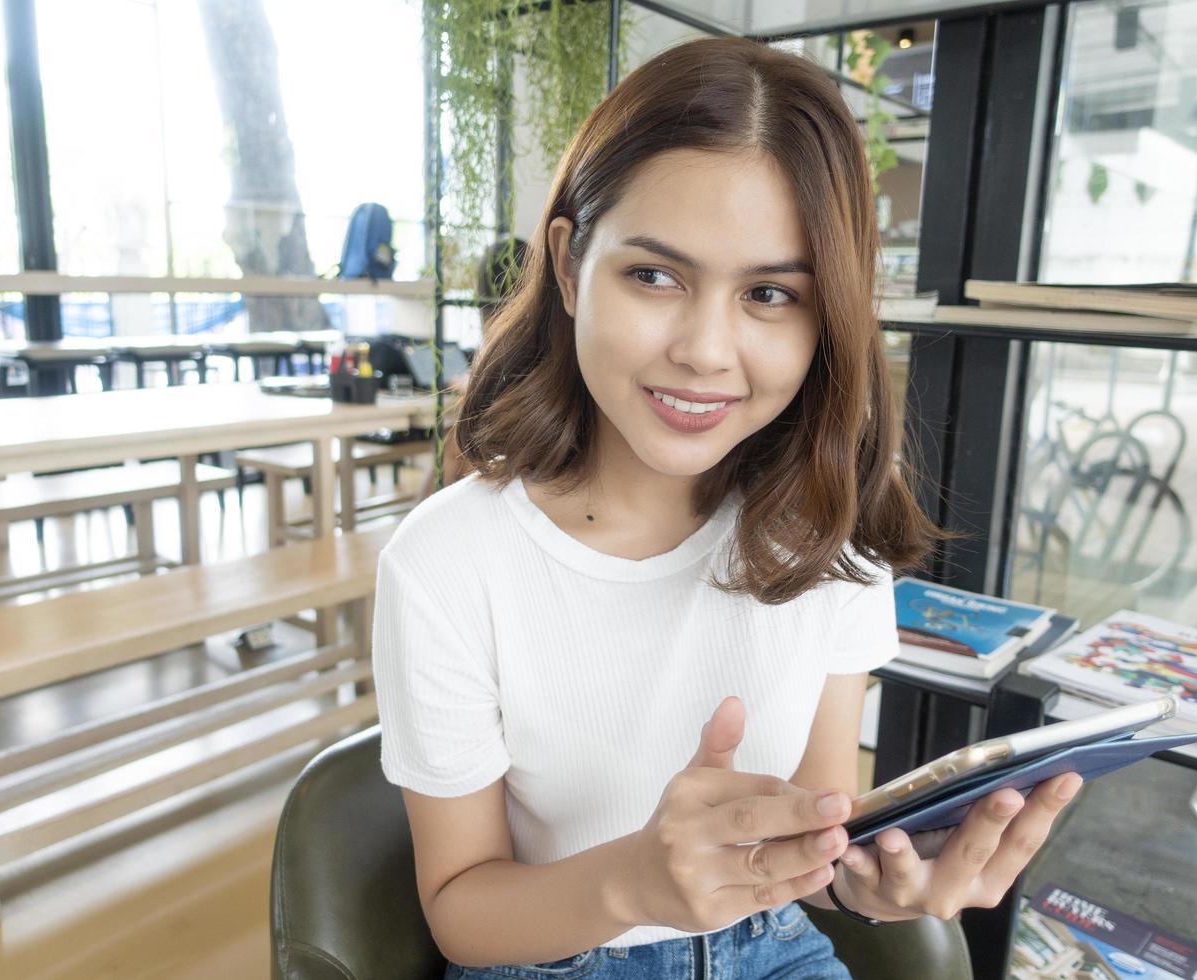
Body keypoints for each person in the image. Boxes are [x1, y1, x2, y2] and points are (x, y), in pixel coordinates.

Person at [372, 36, 1084, 978]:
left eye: (769, 294)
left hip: (774, 950)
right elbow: (462, 909)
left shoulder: (831, 536)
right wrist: (632, 882)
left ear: (826, 314)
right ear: (572, 263)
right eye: (655, 276)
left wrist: (865, 879)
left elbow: (812, 837)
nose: (707, 351)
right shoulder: (446, 565)